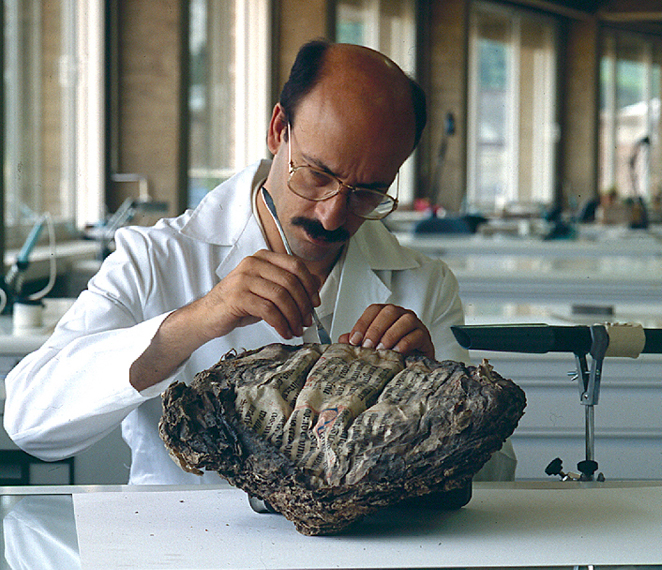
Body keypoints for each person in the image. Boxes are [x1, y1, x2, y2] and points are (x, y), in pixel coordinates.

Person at [3, 40, 515, 485]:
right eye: (316, 174)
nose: (332, 215)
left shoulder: (423, 285)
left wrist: (438, 394)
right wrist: (197, 320)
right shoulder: (158, 258)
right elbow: (29, 421)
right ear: (278, 130)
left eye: (368, 192)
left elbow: (497, 474)